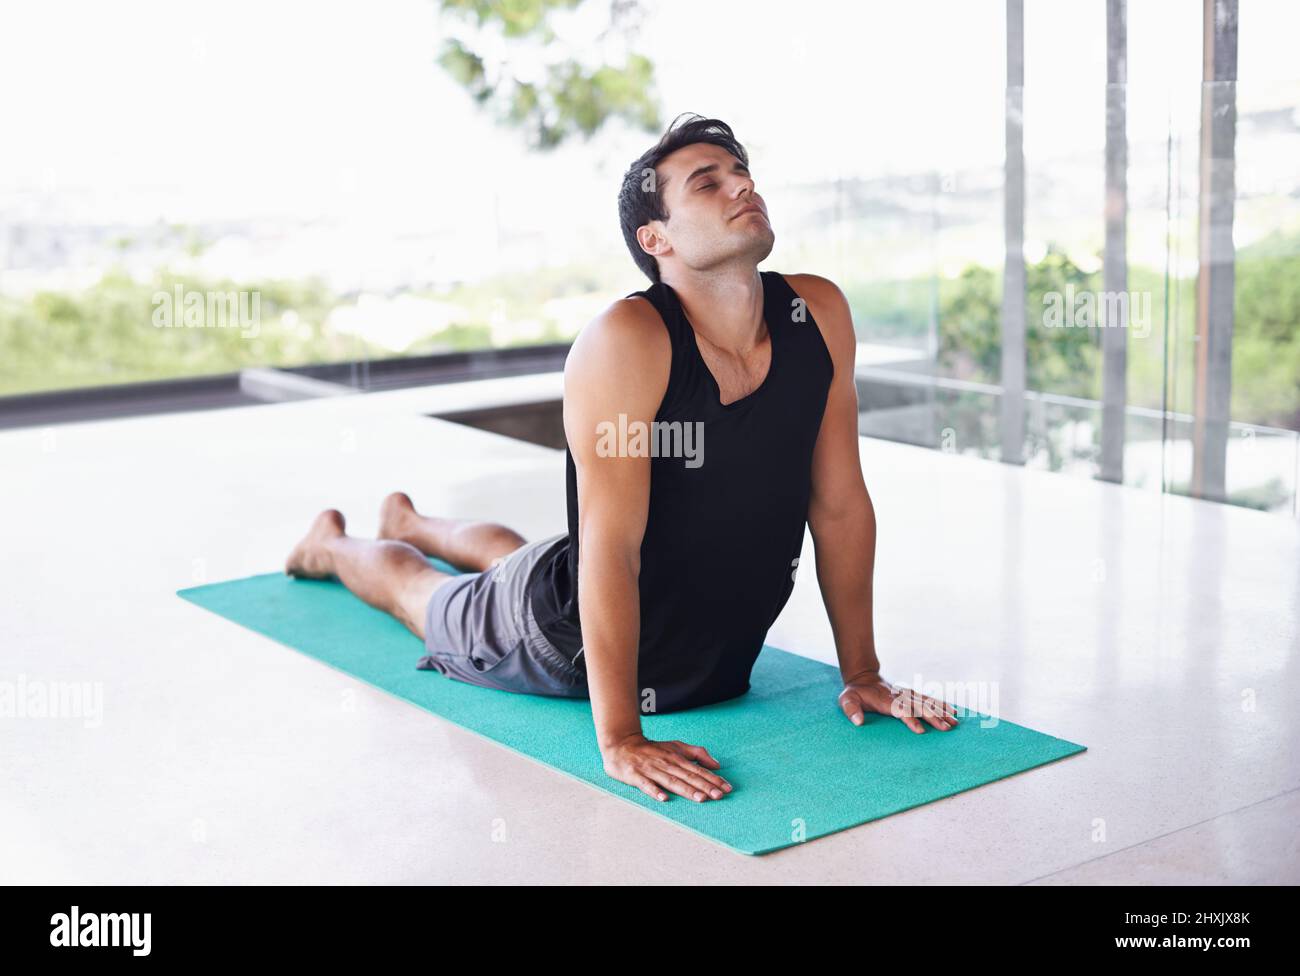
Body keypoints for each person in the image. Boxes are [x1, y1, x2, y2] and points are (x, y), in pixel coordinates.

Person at [285, 113, 958, 806]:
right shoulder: (628, 341)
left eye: (742, 174)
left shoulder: (816, 314)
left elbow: (840, 502)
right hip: (558, 630)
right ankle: (331, 544)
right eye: (708, 182)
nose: (741, 187)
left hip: (683, 639)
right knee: (422, 594)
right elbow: (609, 552)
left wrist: (864, 671)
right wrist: (620, 737)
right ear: (655, 238)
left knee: (526, 557)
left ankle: (416, 519)